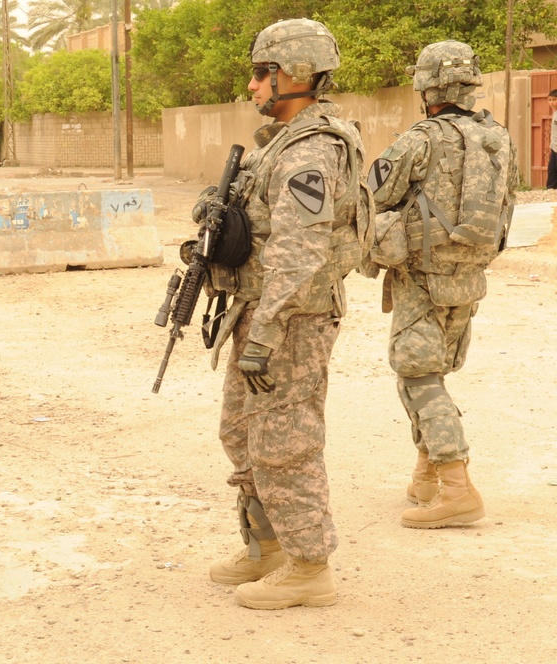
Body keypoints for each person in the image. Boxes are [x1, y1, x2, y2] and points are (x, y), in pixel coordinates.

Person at [201, 18, 372, 609]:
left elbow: (302, 252)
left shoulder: (313, 151)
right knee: (241, 431)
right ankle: (267, 547)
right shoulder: (280, 144)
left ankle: (309, 566)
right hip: (260, 311)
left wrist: (266, 333)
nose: (252, 86)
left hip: (292, 321)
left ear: (294, 74)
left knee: (285, 441)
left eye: (260, 73)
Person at [367, 40, 517, 529]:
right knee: (431, 371)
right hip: (468, 279)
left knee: (417, 375)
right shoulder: (499, 139)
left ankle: (456, 486)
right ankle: (426, 475)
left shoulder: (421, 139)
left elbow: (371, 194)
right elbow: (507, 209)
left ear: (426, 86)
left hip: (422, 278)